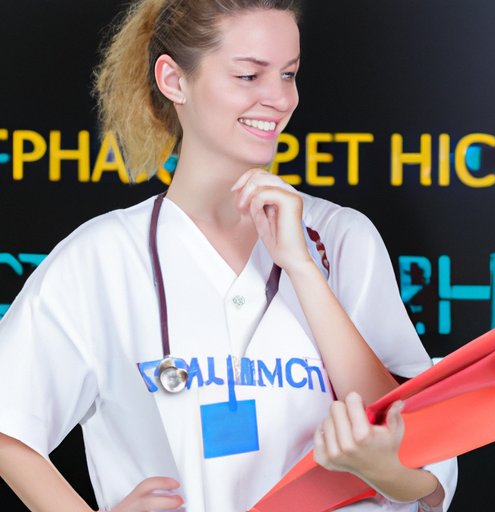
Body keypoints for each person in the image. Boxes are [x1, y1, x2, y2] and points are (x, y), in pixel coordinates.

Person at [0, 0, 457, 511]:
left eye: (288, 74)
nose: (279, 98)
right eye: (248, 75)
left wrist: (302, 267)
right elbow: (8, 423)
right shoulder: (102, 257)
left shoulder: (340, 238)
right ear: (174, 80)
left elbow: (425, 460)